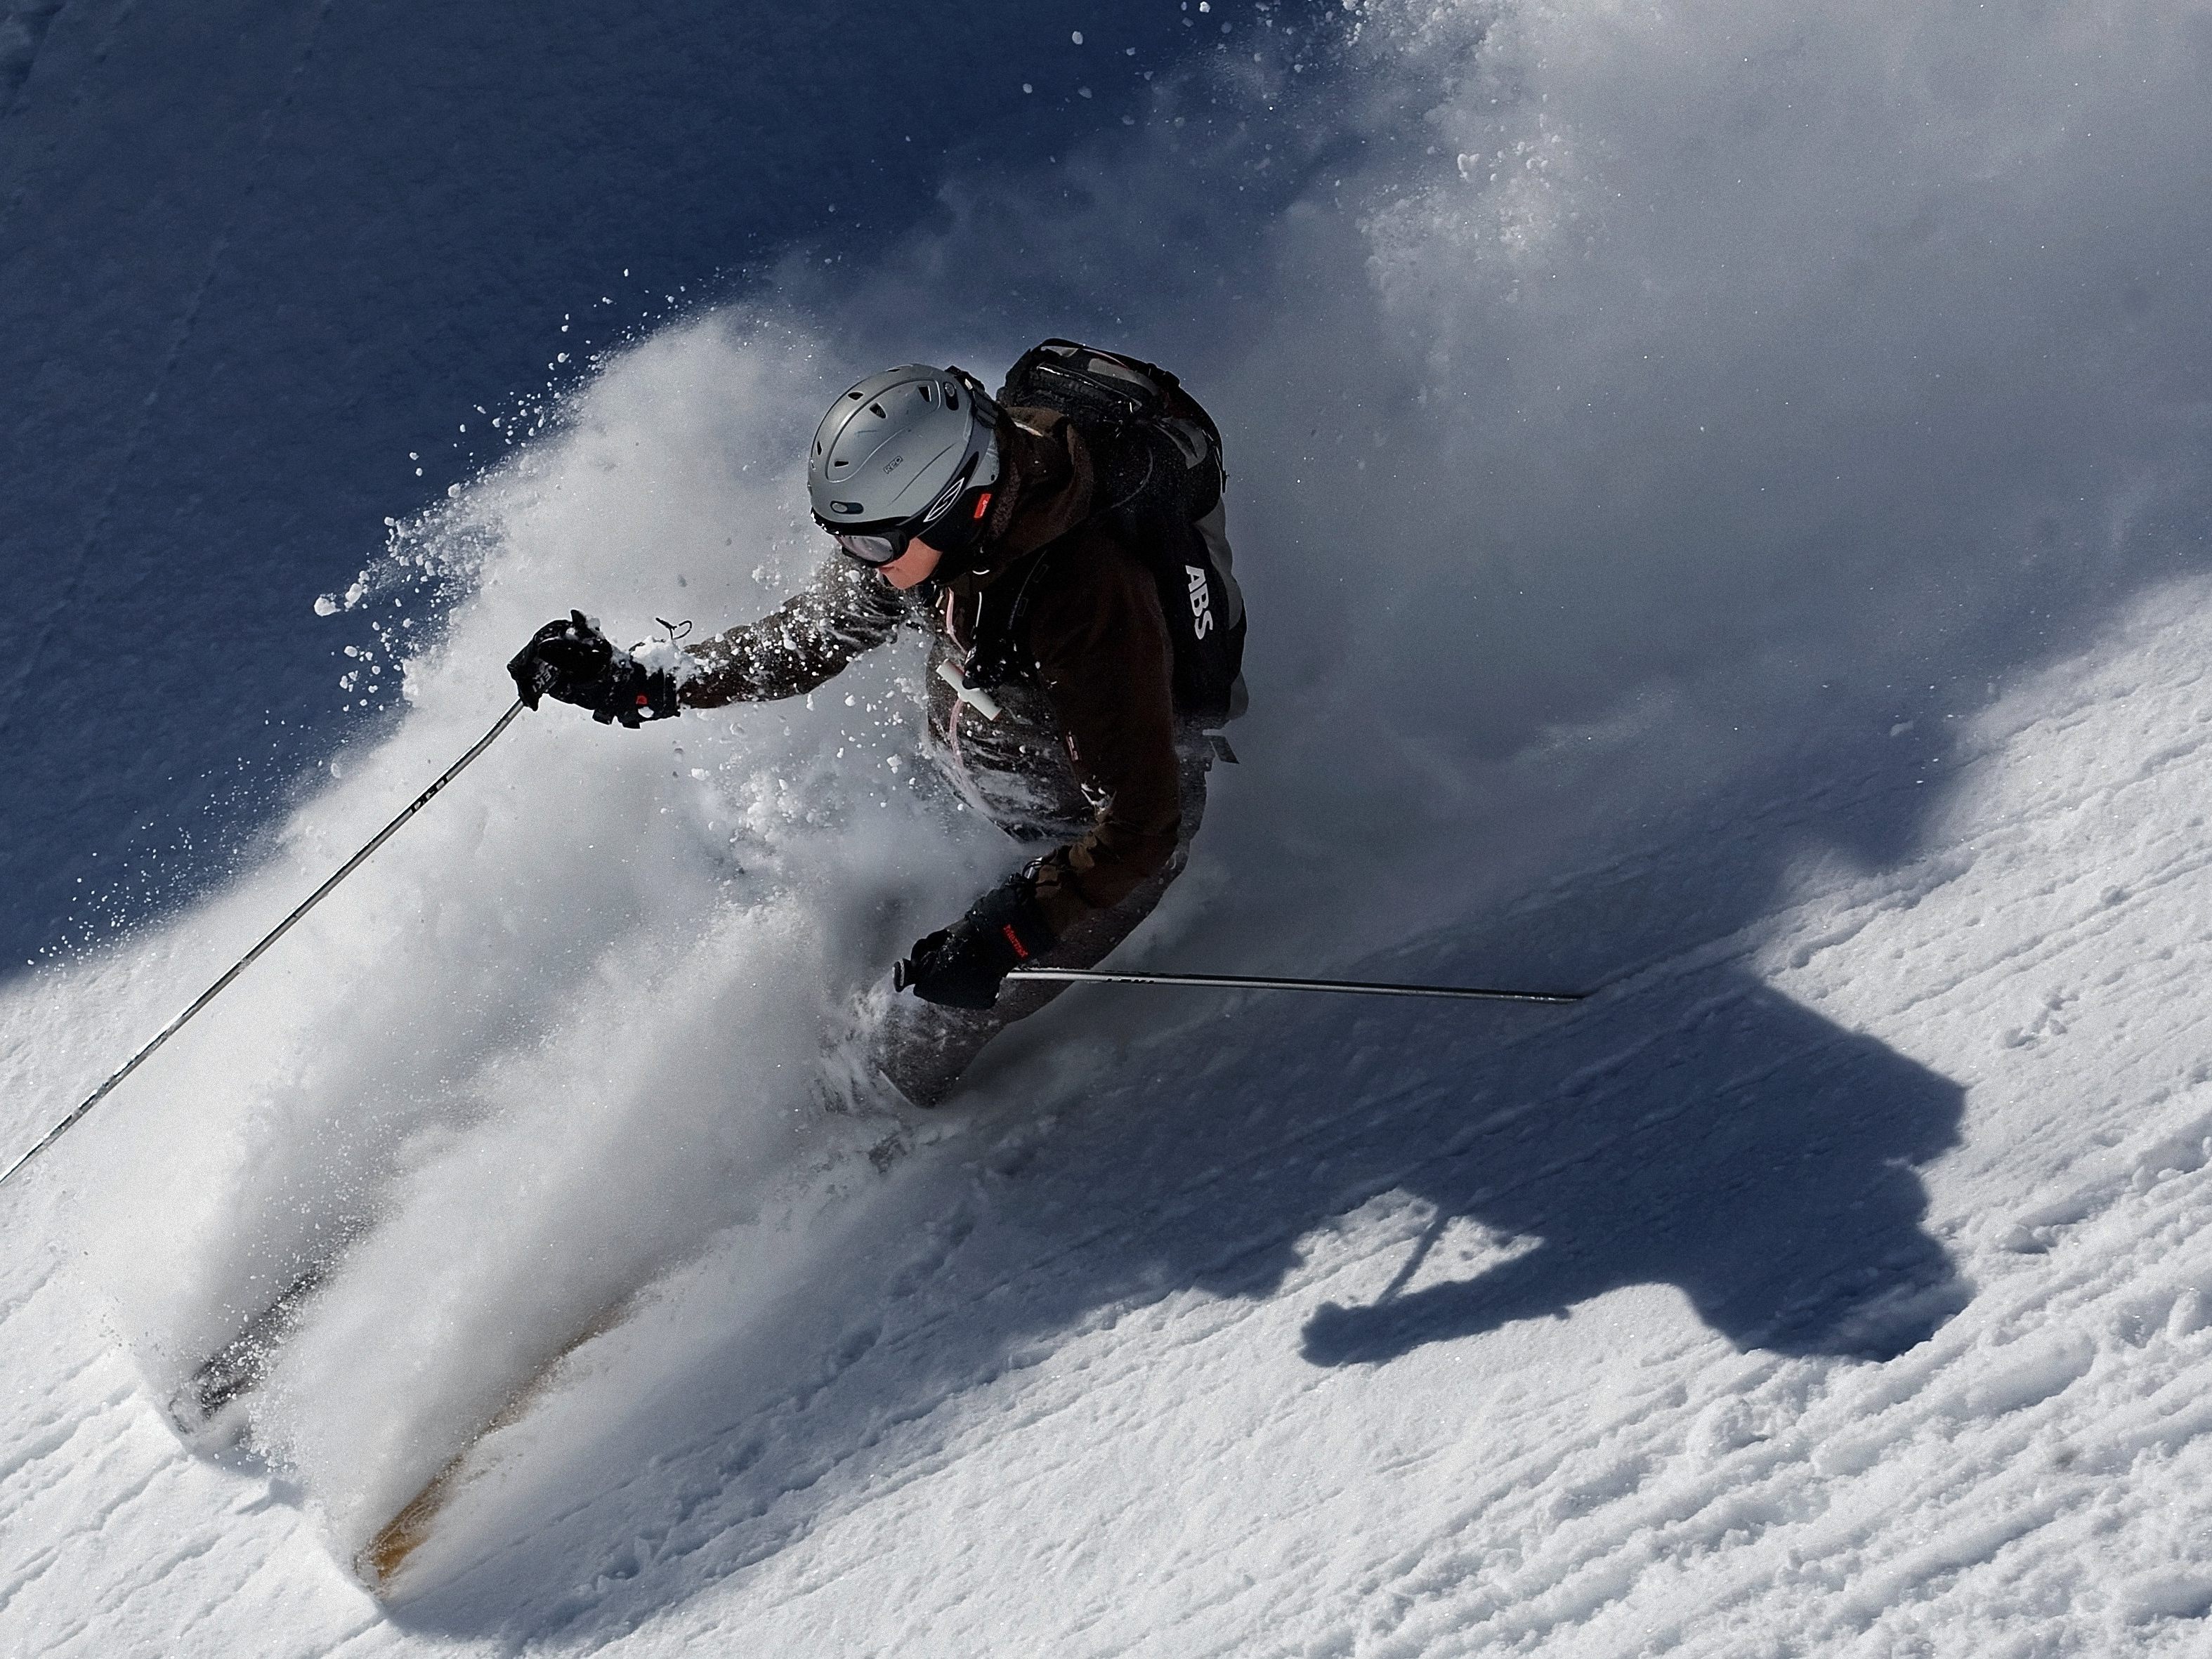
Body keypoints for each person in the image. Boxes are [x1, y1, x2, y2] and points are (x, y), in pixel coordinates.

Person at [507, 348, 1243, 1107]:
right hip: (985, 775)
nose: (854, 560)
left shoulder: (1087, 602)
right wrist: (643, 681)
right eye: (840, 534)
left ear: (963, 504)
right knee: (841, 932)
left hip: (1097, 846)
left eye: (869, 542)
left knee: (916, 1031)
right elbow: (806, 640)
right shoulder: (929, 539)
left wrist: (1013, 931)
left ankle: (877, 1143)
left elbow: (1142, 824)